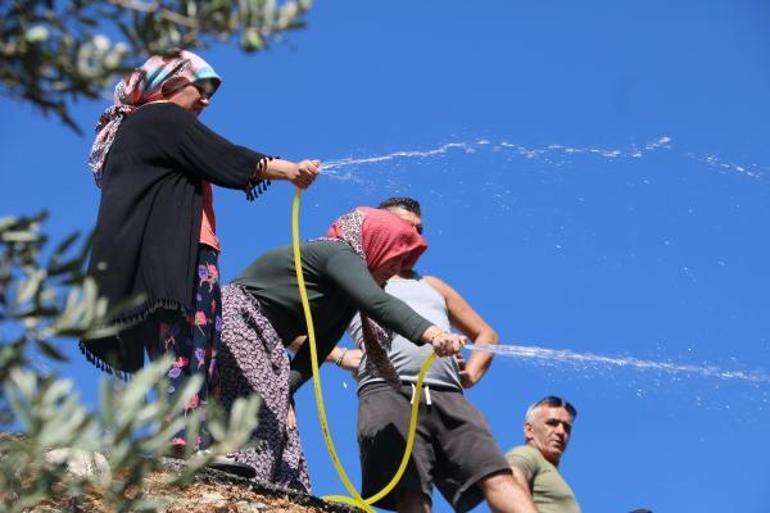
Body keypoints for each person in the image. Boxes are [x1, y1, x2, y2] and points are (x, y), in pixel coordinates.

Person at [79, 49, 320, 457]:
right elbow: (222, 155)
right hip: (180, 256)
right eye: (201, 87)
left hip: (154, 262)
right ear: (170, 83)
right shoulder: (161, 118)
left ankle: (187, 437)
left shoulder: (135, 128)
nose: (207, 99)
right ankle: (185, 439)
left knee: (181, 345)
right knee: (190, 341)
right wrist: (288, 170)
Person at [218, 206, 465, 492]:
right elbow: (378, 303)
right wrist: (432, 333)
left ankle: (283, 496)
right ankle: (237, 489)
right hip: (240, 318)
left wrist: (285, 390)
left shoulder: (343, 299)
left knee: (284, 434)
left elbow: (316, 350)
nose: (397, 268)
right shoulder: (338, 254)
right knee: (262, 417)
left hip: (266, 340)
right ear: (377, 242)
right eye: (395, 258)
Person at [325, 197, 537, 513]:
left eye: (419, 229)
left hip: (449, 395)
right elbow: (299, 327)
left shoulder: (433, 284)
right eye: (405, 227)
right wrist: (341, 356)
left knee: (497, 473)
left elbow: (486, 334)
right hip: (387, 392)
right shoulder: (354, 279)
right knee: (410, 492)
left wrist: (472, 375)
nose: (415, 236)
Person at [506, 396, 581, 513]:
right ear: (529, 430)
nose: (561, 432)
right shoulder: (527, 454)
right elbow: (508, 484)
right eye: (552, 423)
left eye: (567, 427)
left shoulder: (548, 470)